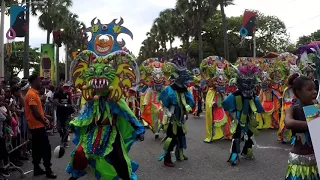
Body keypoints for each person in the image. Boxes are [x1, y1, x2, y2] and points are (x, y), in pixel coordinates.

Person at [158, 54, 195, 167]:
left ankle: (180, 154)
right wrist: (168, 113)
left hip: (180, 117)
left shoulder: (184, 90)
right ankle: (167, 157)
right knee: (172, 137)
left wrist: (186, 110)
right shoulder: (169, 90)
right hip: (172, 118)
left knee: (181, 135)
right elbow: (164, 103)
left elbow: (190, 102)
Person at [284, 73, 319, 179]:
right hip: (298, 164)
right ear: (298, 92)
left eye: (315, 89)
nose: (314, 92)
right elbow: (288, 123)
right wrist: (312, 124)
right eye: (309, 90)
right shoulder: (293, 109)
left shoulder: (315, 109)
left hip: (315, 161)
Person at [24, 74, 56, 179]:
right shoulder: (31, 94)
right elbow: (35, 113)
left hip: (36, 126)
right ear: (33, 81)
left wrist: (47, 116)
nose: (40, 82)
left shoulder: (35, 93)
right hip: (37, 126)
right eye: (39, 80)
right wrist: (45, 122)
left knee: (37, 149)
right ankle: (48, 170)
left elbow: (38, 111)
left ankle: (37, 169)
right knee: (46, 148)